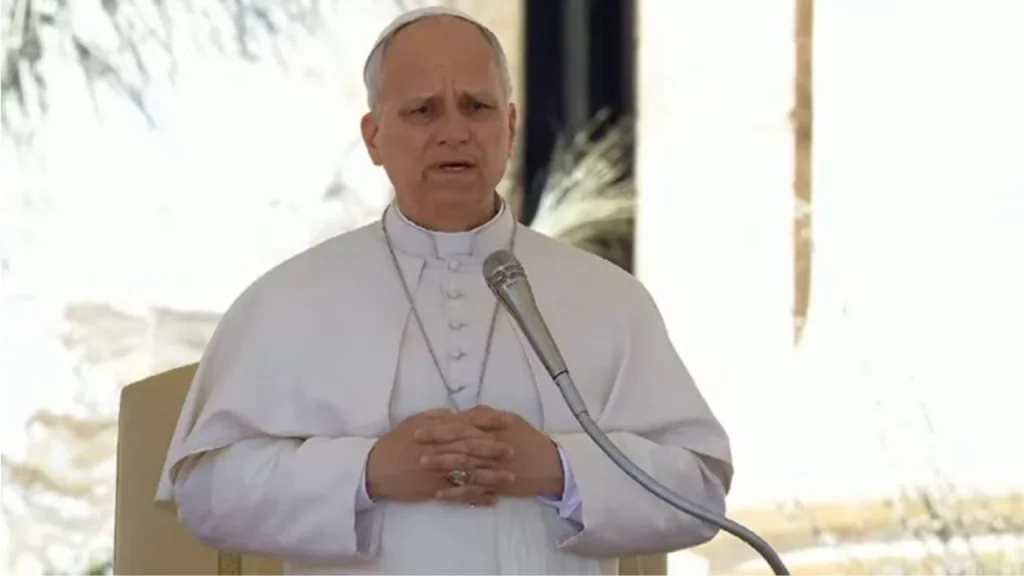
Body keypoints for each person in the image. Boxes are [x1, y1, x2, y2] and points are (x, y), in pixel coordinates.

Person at [155, 6, 733, 575]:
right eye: (423, 110)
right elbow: (206, 496)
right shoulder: (288, 300)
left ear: (508, 128)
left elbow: (700, 493)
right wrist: (369, 471)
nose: (453, 131)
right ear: (375, 136)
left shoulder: (608, 298)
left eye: (476, 107)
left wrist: (558, 468)